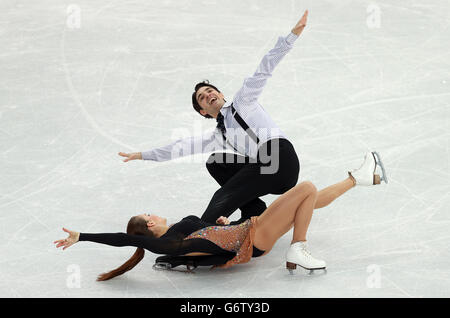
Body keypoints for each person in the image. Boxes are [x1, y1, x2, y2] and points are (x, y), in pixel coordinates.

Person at [54, 152, 388, 281]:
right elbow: (127, 239)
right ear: (151, 226)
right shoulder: (169, 243)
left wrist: (219, 226)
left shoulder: (183, 228)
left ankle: (360, 178)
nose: (152, 211)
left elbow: (208, 236)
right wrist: (82, 236)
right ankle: (298, 247)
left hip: (248, 230)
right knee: (307, 187)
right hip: (253, 240)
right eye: (147, 213)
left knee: (308, 200)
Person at [118, 11, 310, 225]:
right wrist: (143, 155)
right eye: (202, 97)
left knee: (224, 196)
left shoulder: (243, 100)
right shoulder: (221, 134)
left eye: (210, 90)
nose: (208, 94)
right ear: (203, 111)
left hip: (280, 159)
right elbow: (182, 146)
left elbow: (265, 68)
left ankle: (198, 235)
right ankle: (254, 211)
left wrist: (292, 36)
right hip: (266, 170)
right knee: (216, 163)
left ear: (221, 95)